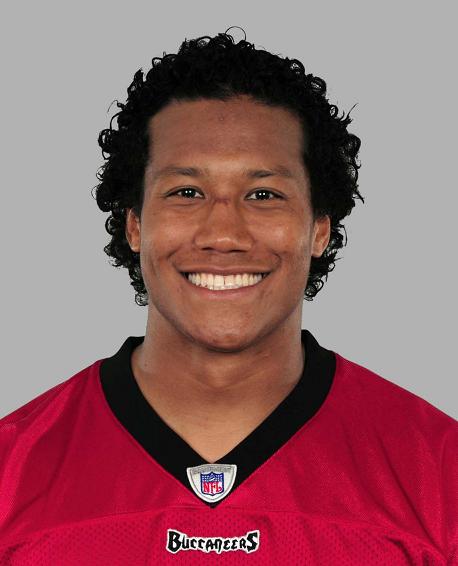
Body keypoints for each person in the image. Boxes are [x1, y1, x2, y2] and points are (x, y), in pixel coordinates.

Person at [0, 28, 456, 564]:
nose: (224, 234)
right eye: (186, 192)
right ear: (135, 224)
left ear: (319, 228)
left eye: (263, 194)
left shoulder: (439, 474)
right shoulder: (13, 472)